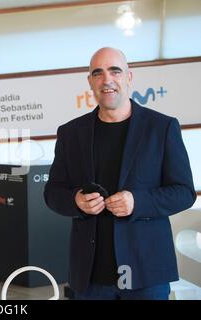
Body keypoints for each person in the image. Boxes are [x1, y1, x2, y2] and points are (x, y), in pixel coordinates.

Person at [43, 47, 196, 300]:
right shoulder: (70, 133)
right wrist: (75, 201)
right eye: (98, 73)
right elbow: (52, 192)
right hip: (90, 278)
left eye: (115, 71)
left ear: (129, 77)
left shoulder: (162, 127)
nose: (107, 80)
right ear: (90, 81)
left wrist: (137, 202)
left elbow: (184, 192)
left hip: (146, 274)